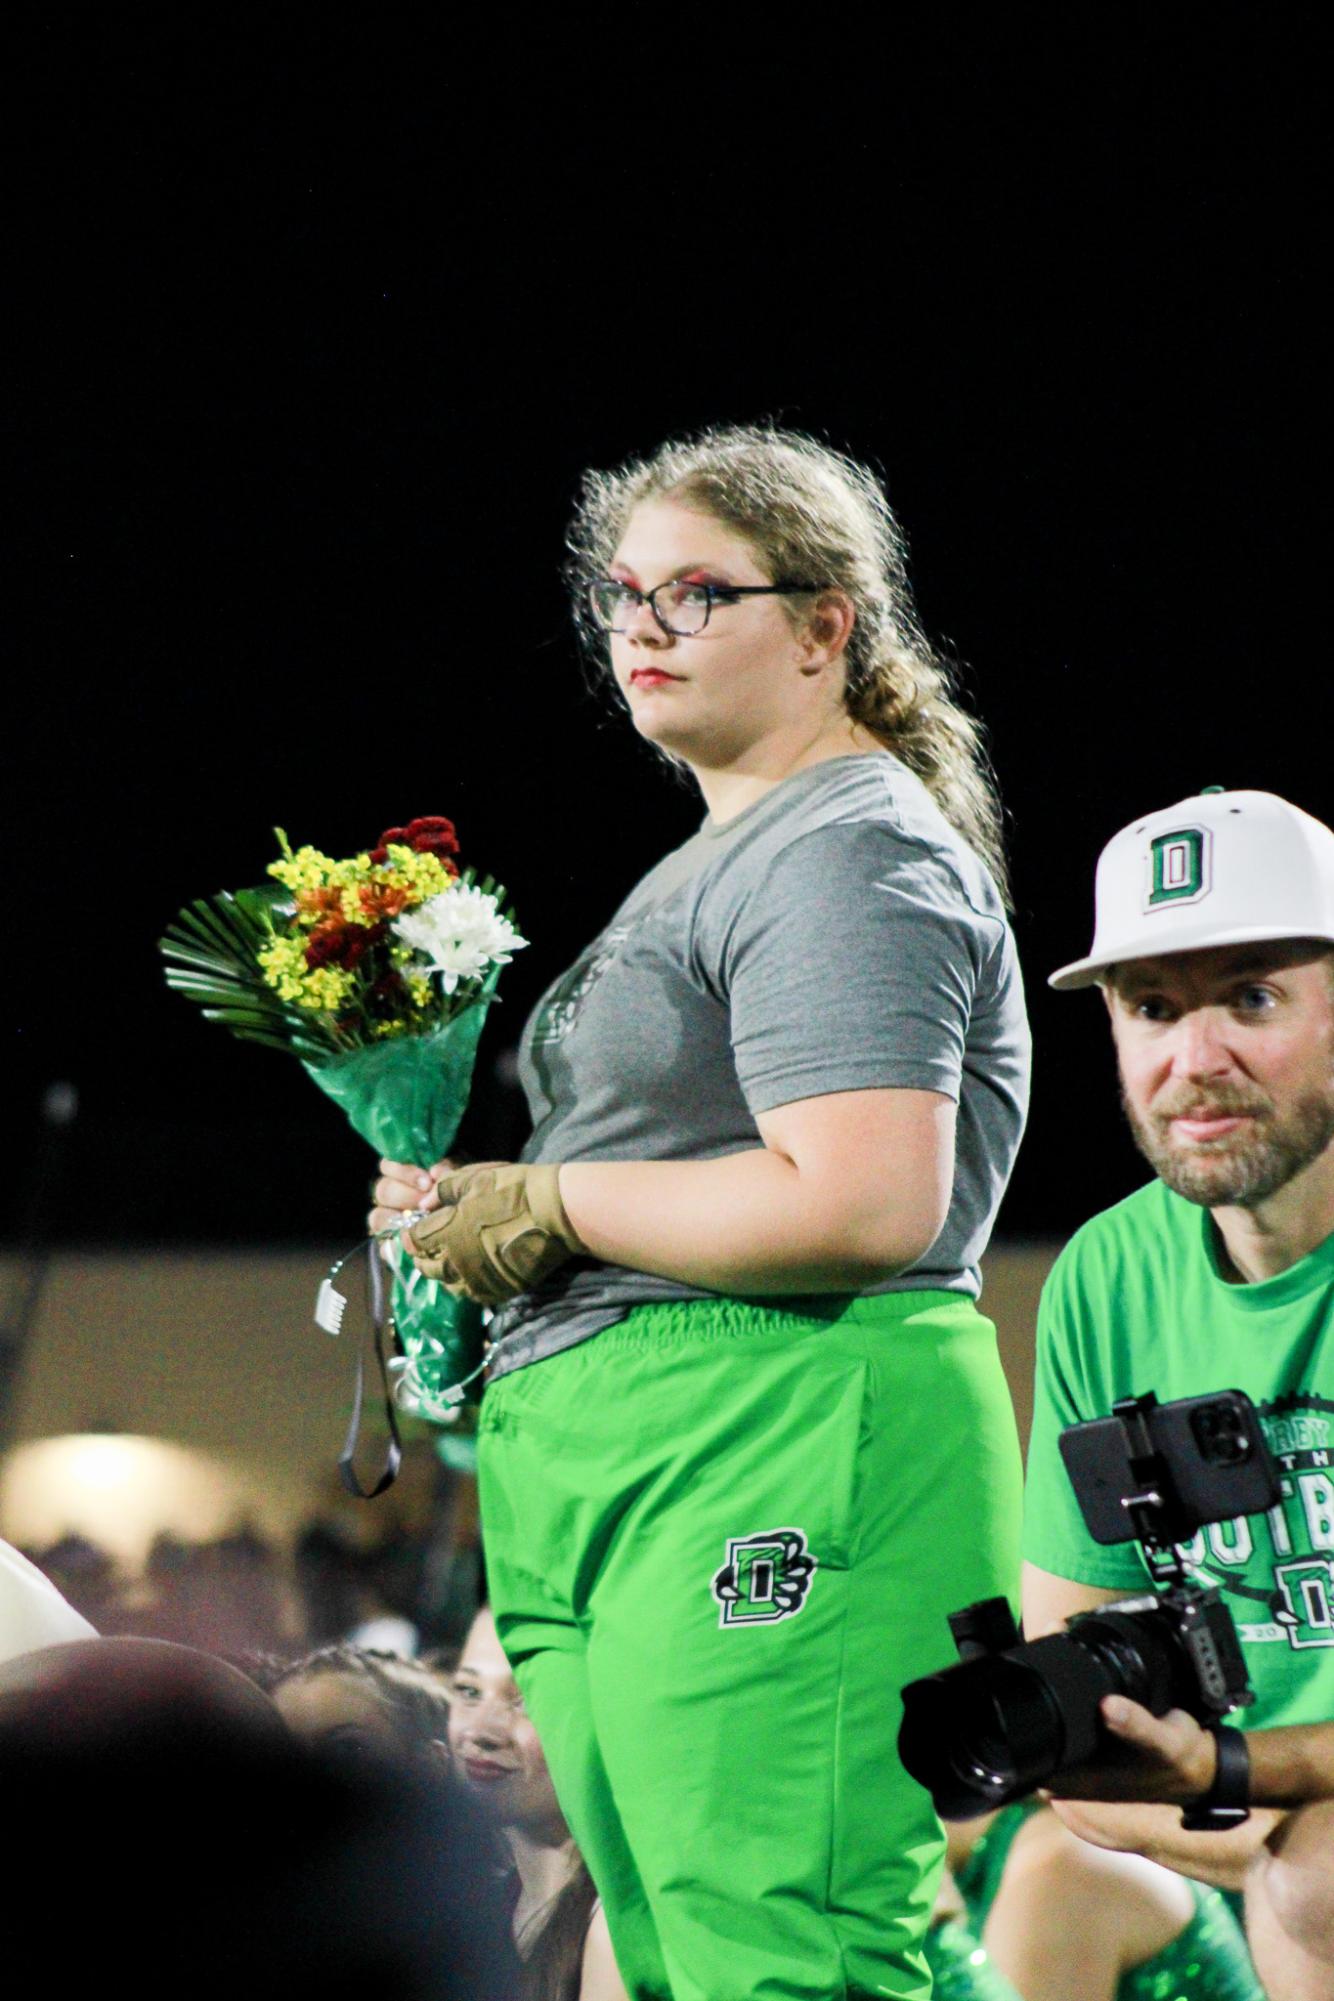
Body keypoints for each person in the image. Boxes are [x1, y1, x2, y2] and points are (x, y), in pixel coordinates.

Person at [373, 424, 1031, 1999]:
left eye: (697, 593)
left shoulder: (847, 848)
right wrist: (473, 1211)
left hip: (775, 1413)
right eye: (624, 598)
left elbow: (868, 1199)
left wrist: (552, 1200)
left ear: (827, 628)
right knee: (674, 1954)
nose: (644, 628)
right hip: (640, 1446)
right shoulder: (719, 851)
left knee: (778, 1951)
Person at [1022, 786, 1334, 2000]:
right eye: (1150, 1007)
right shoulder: (1104, 1272)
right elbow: (1067, 1677)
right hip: (1245, 1818)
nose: (1191, 1062)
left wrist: (1231, 1779)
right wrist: (1237, 1805)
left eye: (1250, 996)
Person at [449, 1605, 628, 2001]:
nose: (480, 1732)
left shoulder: (624, 1922)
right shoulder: (458, 1906)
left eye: (526, 1700)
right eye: (468, 1691)